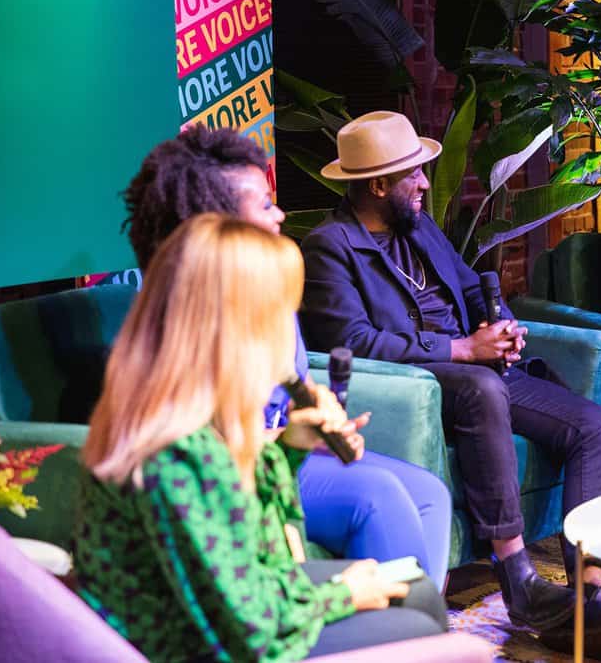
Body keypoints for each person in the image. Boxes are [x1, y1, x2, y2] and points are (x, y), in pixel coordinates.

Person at [299, 110, 601, 660]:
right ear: (378, 184)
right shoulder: (330, 247)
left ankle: (591, 592)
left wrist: (501, 328)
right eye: (413, 174)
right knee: (480, 390)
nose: (423, 184)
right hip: (426, 384)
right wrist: (461, 349)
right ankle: (518, 580)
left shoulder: (418, 227)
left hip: (484, 369)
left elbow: (470, 285)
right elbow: (352, 340)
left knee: (595, 426)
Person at [75, 214, 447, 661]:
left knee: (420, 594)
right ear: (234, 330)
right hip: (195, 645)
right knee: (418, 626)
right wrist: (344, 594)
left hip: (234, 611)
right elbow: (247, 628)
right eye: (277, 313)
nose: (287, 334)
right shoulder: (177, 451)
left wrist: (290, 448)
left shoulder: (197, 413)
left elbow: (271, 548)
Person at [121, 124, 452, 593]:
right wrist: (294, 436)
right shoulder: (186, 317)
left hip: (287, 451)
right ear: (215, 220)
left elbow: (289, 382)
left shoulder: (266, 289)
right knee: (377, 496)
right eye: (262, 204)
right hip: (243, 466)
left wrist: (318, 410)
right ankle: (392, 637)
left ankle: (408, 633)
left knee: (430, 494)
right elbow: (205, 444)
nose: (279, 214)